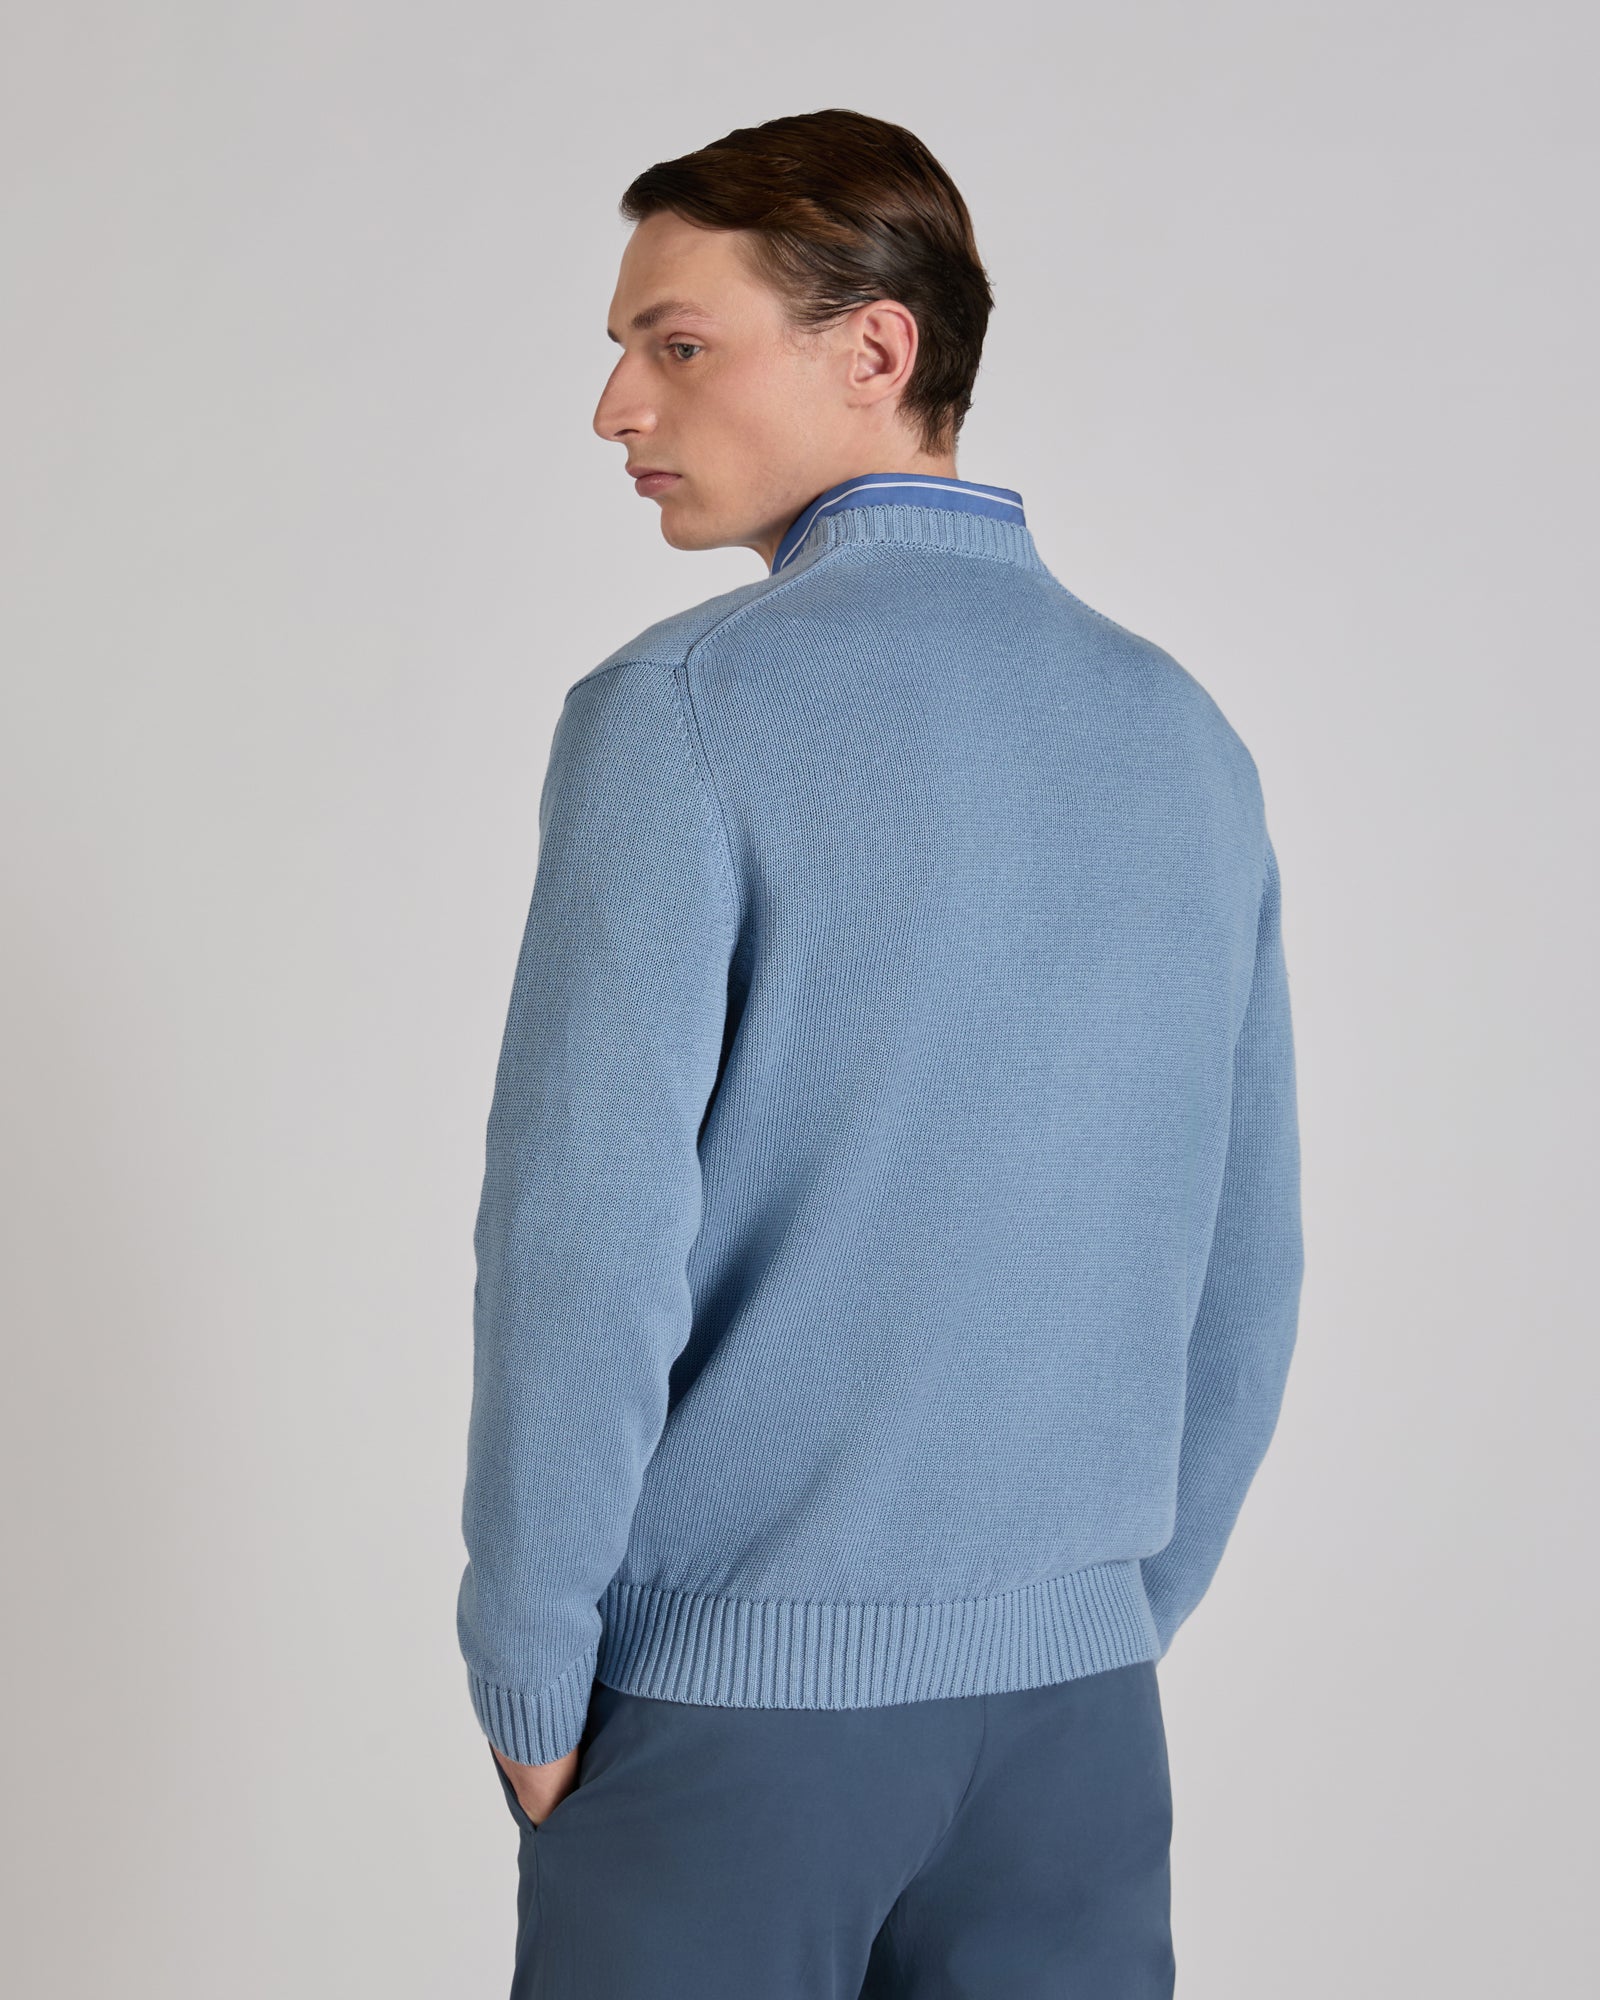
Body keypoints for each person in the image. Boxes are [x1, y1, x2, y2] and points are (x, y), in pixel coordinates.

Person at [457, 106, 1304, 1998]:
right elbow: (1245, 1265)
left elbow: (582, 1247)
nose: (615, 405)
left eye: (679, 343)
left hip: (733, 1714)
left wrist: (528, 1662)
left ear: (876, 350)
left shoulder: (681, 710)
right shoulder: (1180, 731)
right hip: (1080, 1727)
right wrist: (1105, 1610)